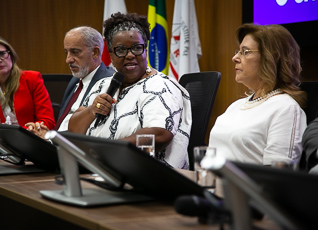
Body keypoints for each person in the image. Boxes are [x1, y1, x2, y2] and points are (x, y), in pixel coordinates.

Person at [68, 12, 192, 169]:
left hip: (147, 176)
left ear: (145, 49)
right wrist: (92, 110)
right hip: (100, 171)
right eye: (120, 50)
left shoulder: (160, 86)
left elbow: (159, 135)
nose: (130, 55)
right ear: (111, 55)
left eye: (137, 48)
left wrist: (103, 152)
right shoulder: (103, 85)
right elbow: (73, 130)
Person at [208, 23, 307, 166]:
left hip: (246, 187)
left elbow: (276, 176)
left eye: (245, 51)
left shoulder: (285, 108)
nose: (234, 58)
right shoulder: (235, 106)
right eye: (238, 51)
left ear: (271, 58)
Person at [26, 26, 114, 135]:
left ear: (95, 52)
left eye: (75, 52)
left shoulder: (108, 83)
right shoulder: (75, 80)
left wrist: (52, 139)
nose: (68, 60)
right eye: (66, 52)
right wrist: (47, 134)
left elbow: (92, 131)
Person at [0, 35, 55, 129]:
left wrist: (20, 131)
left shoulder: (32, 79)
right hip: (1, 142)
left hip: (33, 139)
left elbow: (48, 121)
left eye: (2, 54)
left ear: (10, 55)